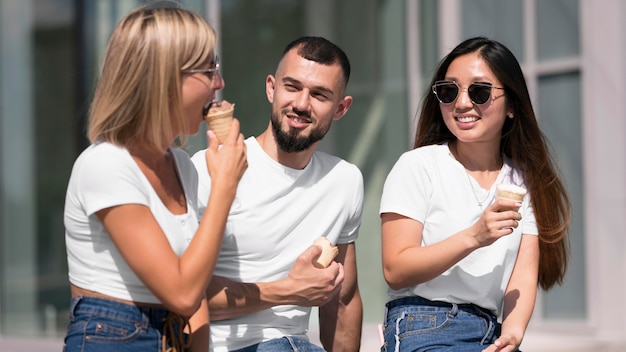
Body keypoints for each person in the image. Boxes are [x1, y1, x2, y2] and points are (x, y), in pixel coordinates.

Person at [63, 4, 247, 352]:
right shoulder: (105, 165)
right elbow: (181, 292)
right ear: (164, 78)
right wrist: (224, 186)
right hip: (114, 338)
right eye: (209, 70)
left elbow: (196, 299)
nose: (219, 83)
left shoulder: (183, 166)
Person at [379, 36, 571, 352]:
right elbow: (395, 270)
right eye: (449, 91)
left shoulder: (523, 182)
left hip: (491, 331)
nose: (463, 103)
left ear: (511, 105)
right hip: (424, 324)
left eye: (479, 92)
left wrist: (512, 333)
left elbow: (523, 274)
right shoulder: (418, 166)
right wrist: (475, 236)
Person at [191, 36, 363, 352]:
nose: (300, 104)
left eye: (319, 95)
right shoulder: (210, 168)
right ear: (272, 88)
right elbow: (184, 297)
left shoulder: (345, 180)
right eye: (292, 87)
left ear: (341, 108)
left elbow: (343, 299)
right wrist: (289, 290)